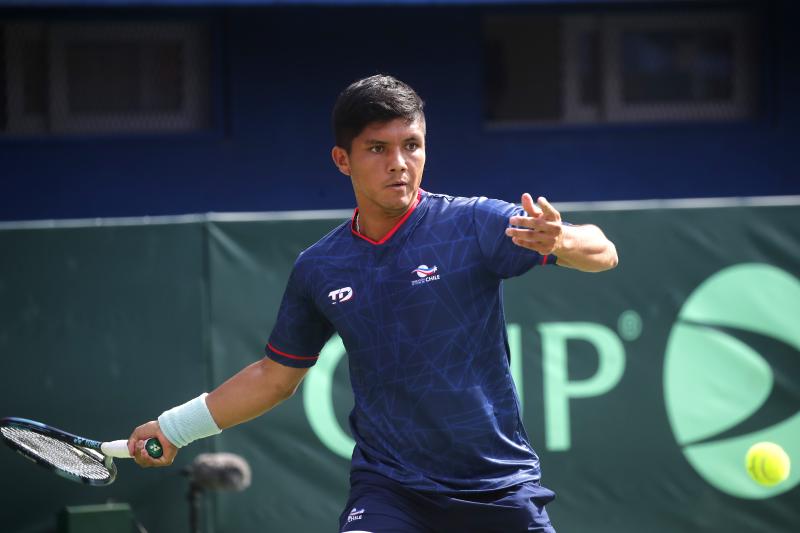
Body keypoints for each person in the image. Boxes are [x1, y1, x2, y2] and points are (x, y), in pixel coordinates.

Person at [128, 74, 618, 533]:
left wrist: (561, 241)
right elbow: (273, 378)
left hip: (498, 487)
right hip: (391, 490)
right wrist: (175, 428)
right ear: (343, 159)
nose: (399, 163)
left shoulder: (473, 223)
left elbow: (603, 251)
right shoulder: (320, 267)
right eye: (378, 149)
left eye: (412, 146)